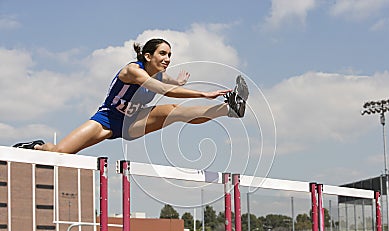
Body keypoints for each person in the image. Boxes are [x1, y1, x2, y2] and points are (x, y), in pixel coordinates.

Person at [13, 38, 248, 154]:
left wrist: (179, 81)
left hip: (133, 123)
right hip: (106, 120)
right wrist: (203, 94)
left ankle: (229, 109)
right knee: (60, 154)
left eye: (170, 54)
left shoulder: (160, 74)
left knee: (173, 111)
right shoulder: (132, 70)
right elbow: (165, 90)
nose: (168, 58)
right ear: (147, 55)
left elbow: (170, 84)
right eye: (163, 54)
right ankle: (37, 147)